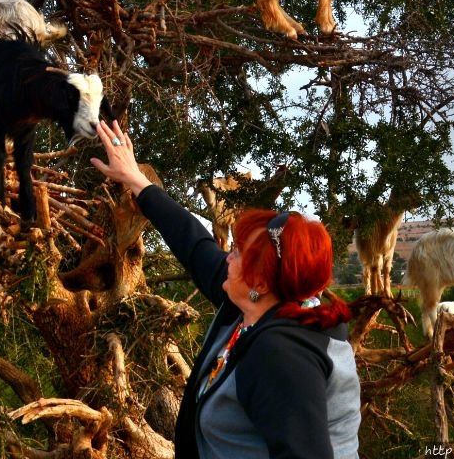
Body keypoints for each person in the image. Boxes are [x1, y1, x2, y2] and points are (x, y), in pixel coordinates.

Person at [91, 119, 361, 459]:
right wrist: (135, 180)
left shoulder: (281, 355)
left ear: (260, 281)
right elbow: (195, 244)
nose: (225, 258)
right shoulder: (255, 305)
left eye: (235, 252)